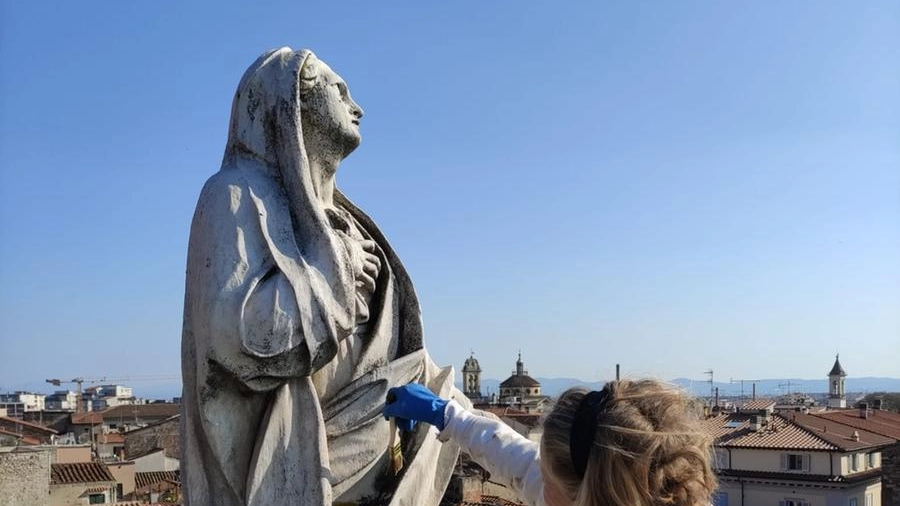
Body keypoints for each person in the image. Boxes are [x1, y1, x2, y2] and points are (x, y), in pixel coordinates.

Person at [181, 47, 468, 506]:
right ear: (294, 103)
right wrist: (341, 269)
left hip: (378, 471)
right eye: (340, 92)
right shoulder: (234, 195)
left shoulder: (347, 220)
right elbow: (237, 342)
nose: (358, 107)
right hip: (295, 467)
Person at [384, 379, 717, 506]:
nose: (537, 477)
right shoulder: (585, 482)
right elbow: (515, 457)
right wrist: (447, 415)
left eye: (547, 476)